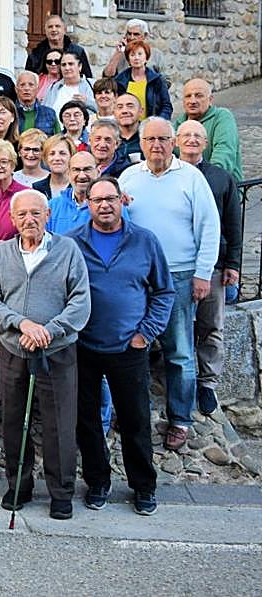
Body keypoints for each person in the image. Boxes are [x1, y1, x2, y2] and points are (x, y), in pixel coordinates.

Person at [0, 189, 90, 520]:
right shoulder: (1, 253)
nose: (29, 219)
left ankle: (61, 493)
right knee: (14, 420)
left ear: (47, 216)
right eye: (22, 214)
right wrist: (23, 324)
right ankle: (19, 486)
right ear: (13, 219)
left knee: (60, 424)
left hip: (56, 351)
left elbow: (80, 301)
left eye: (36, 213)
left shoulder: (67, 250)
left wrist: (49, 330)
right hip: (14, 350)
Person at [69, 177, 173, 517]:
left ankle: (143, 486)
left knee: (135, 420)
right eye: (97, 200)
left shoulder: (144, 241)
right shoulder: (72, 243)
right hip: (84, 345)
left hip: (129, 346)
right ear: (88, 204)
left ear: (121, 201)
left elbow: (164, 292)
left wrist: (145, 333)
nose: (104, 205)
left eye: (110, 199)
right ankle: (97, 482)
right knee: (86, 421)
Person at [120, 119, 220, 449]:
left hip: (179, 275)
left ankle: (180, 418)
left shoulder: (191, 178)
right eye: (150, 139)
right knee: (134, 348)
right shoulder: (129, 177)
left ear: (173, 141)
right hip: (138, 277)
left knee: (179, 351)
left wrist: (203, 273)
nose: (157, 145)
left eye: (163, 138)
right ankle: (135, 413)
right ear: (142, 143)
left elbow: (209, 227)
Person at [176, 121, 242, 413]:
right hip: (177, 263)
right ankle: (179, 379)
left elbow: (233, 223)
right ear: (176, 141)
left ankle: (207, 383)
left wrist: (233, 263)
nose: (191, 140)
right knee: (177, 326)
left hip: (213, 264)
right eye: (186, 135)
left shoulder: (220, 178)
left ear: (205, 143)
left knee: (211, 325)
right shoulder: (171, 175)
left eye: (197, 136)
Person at [173, 78, 242, 182]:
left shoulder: (222, 117)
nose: (192, 101)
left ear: (210, 99)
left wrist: (204, 182)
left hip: (220, 185)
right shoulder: (179, 124)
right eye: (188, 96)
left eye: (199, 95)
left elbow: (224, 153)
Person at [113, 38, 171, 120]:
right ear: (128, 60)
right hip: (126, 123)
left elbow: (166, 106)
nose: (136, 58)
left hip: (151, 124)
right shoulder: (119, 80)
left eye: (140, 54)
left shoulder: (157, 80)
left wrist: (157, 122)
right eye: (132, 55)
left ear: (146, 58)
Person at [45, 152, 99, 237]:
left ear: (98, 172)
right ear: (68, 174)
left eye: (87, 169)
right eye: (76, 170)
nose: (81, 176)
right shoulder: (52, 206)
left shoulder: (109, 206)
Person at [26, 14, 94, 78]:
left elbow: (87, 77)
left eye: (57, 26)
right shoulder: (36, 54)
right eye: (50, 27)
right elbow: (29, 78)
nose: (54, 29)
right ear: (45, 31)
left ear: (64, 30)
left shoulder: (78, 51)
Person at [35, 134, 76, 199]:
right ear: (45, 158)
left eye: (62, 153)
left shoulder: (78, 187)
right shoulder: (37, 189)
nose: (57, 158)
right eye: (52, 154)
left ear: (71, 156)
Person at [114, 93, 144, 166]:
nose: (124, 111)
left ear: (141, 111)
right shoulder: (109, 137)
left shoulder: (150, 137)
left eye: (130, 106)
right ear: (114, 113)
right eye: (120, 107)